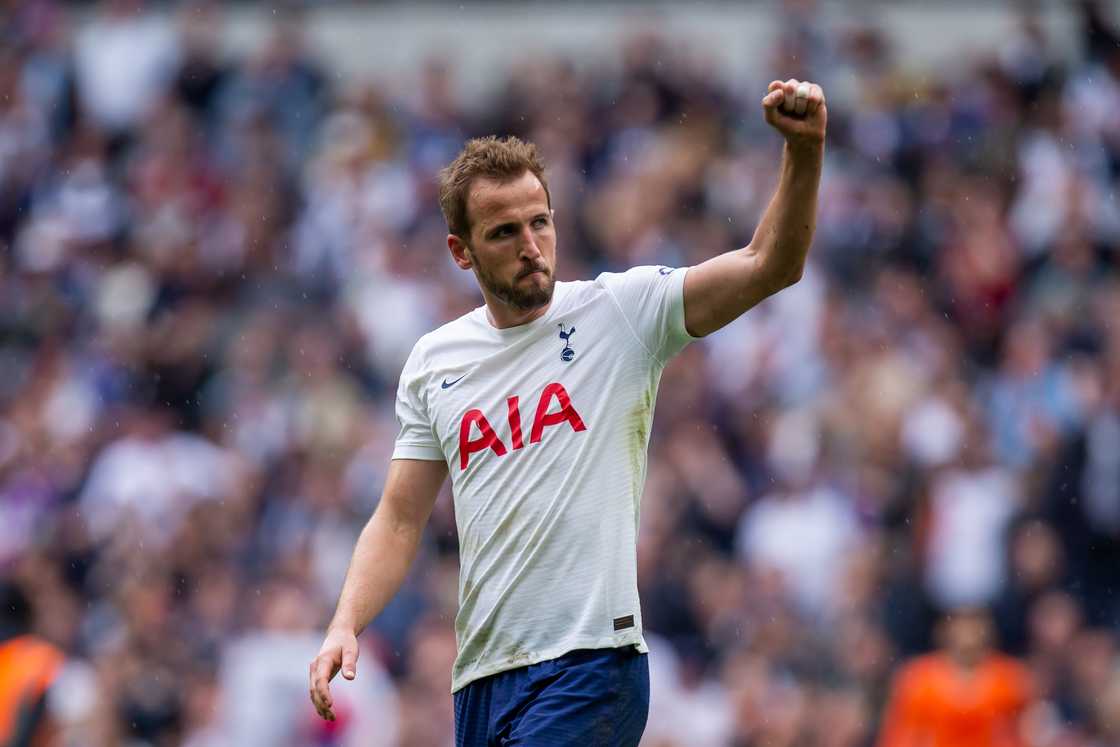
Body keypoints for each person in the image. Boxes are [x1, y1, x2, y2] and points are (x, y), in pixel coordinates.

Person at [309, 77, 827, 746]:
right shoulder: (435, 361)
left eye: (540, 221)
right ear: (460, 251)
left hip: (591, 663)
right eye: (504, 231)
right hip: (482, 681)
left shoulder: (622, 311)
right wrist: (345, 619)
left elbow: (769, 264)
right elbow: (400, 518)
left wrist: (804, 152)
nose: (530, 244)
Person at [877, 608, 1035, 747]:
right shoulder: (918, 680)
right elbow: (901, 738)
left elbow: (1024, 735)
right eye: (960, 622)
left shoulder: (1011, 679)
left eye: (975, 621)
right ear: (944, 628)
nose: (967, 632)